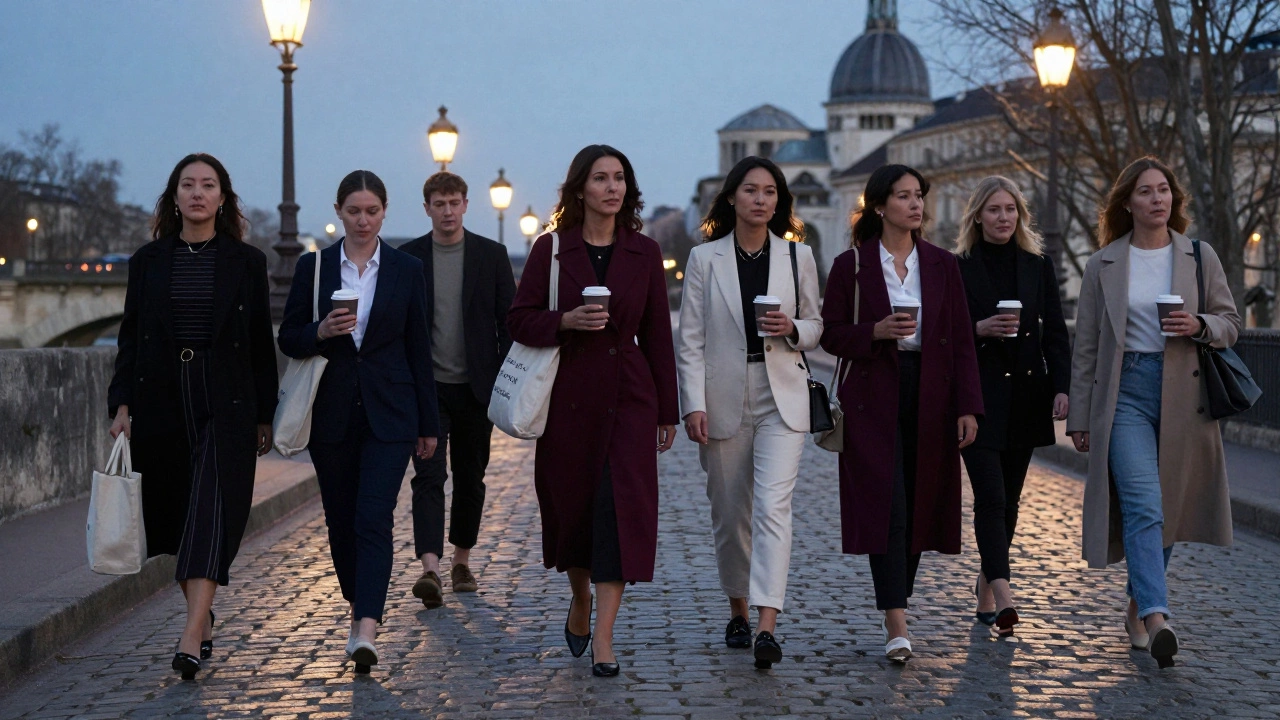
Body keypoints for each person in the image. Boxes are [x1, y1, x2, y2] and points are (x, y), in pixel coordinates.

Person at [507, 145, 678, 677]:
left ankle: (604, 635)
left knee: (620, 511)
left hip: (629, 394)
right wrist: (564, 321)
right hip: (568, 398)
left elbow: (656, 334)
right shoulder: (551, 250)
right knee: (575, 510)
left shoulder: (645, 252)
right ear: (579, 189)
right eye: (600, 178)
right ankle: (579, 598)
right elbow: (518, 319)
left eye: (619, 178)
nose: (612, 187)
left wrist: (666, 411)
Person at [107, 153, 278, 680]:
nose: (198, 193)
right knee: (179, 517)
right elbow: (131, 337)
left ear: (223, 197)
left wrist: (265, 414)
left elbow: (257, 346)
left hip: (225, 398)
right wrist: (120, 404)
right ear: (174, 195)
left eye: (208, 185)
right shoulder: (148, 260)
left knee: (212, 509)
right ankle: (201, 618)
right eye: (188, 185)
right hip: (161, 396)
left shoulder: (246, 262)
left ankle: (187, 635)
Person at [1067, 156, 1239, 669]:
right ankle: (1159, 617)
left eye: (1164, 190)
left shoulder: (1197, 255)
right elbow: (1089, 346)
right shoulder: (1104, 263)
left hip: (1184, 394)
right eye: (1145, 191)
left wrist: (1199, 324)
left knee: (1166, 507)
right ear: (1127, 203)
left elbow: (1231, 323)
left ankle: (1138, 607)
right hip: (1125, 395)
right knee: (1143, 500)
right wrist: (1079, 416)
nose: (1157, 199)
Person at [277, 170, 439, 674]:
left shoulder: (407, 269)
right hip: (332, 415)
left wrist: (429, 424)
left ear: (385, 211)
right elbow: (289, 338)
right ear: (339, 212)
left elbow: (418, 350)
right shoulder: (315, 267)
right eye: (354, 211)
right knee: (342, 523)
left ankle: (367, 625)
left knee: (373, 517)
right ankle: (358, 604)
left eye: (372, 211)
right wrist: (322, 329)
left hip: (392, 415)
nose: (363, 220)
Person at [819, 164, 982, 663]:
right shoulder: (852, 265)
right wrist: (874, 331)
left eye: (919, 196)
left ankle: (898, 600)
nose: (916, 205)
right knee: (885, 506)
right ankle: (896, 621)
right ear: (879, 205)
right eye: (904, 196)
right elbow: (830, 334)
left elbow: (960, 342)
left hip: (931, 394)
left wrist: (969, 406)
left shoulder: (941, 264)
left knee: (918, 505)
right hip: (872, 395)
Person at [676, 156, 823, 670]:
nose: (760, 200)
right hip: (722, 395)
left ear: (779, 201)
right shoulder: (704, 259)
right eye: (750, 190)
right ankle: (737, 606)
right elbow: (690, 340)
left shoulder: (796, 256)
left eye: (769, 192)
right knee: (730, 510)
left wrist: (793, 328)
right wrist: (691, 403)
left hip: (781, 392)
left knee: (773, 508)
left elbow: (816, 326)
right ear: (733, 197)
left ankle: (766, 625)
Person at [953, 176, 1071, 636]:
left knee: (1012, 500)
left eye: (1011, 210)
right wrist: (978, 329)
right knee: (991, 496)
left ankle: (985, 585)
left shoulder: (1038, 265)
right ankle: (1005, 595)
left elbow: (1056, 334)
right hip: (976, 397)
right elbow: (947, 333)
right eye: (995, 209)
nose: (1004, 217)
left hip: (1026, 395)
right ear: (977, 215)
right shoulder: (958, 266)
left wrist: (1062, 387)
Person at [399, 172, 516, 607]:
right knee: (428, 477)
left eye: (454, 203)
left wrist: (505, 383)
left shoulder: (492, 255)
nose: (447, 211)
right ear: (426, 208)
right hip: (427, 390)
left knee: (471, 477)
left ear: (466, 204)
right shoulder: (408, 259)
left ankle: (461, 561)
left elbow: (509, 324)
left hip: (476, 390)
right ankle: (430, 568)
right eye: (439, 204)